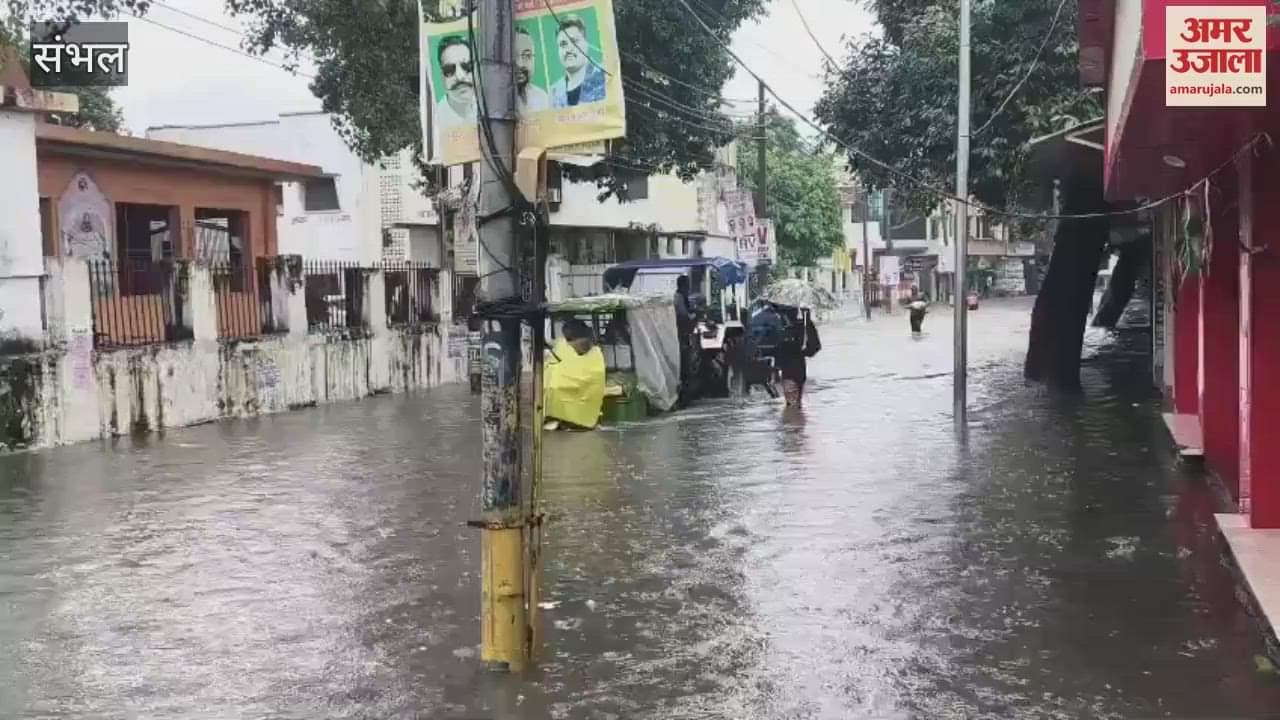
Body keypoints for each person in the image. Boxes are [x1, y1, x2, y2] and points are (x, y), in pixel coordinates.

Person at [551, 15, 607, 108]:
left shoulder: (604, 77)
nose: (569, 49)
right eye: (563, 44)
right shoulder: (553, 93)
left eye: (574, 41)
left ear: (586, 44)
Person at [774, 305, 821, 408]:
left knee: (793, 403)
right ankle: (794, 418)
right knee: (794, 402)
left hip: (791, 367)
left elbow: (814, 347)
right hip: (795, 368)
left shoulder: (800, 326)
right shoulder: (801, 326)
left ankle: (793, 419)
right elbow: (814, 348)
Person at [435, 36, 477, 130]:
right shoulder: (434, 120)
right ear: (441, 75)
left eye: (466, 66)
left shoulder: (490, 110)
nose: (459, 76)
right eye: (449, 69)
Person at [515, 27, 550, 115]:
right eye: (513, 56)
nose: (520, 64)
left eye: (527, 56)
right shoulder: (488, 99)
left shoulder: (542, 98)